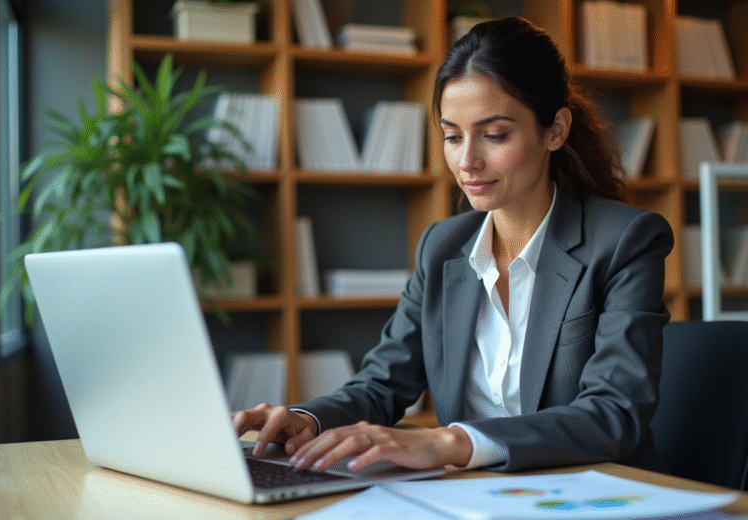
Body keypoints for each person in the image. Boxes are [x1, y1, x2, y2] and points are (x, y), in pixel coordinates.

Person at [233, 16, 673, 473]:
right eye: (452, 136)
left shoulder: (626, 241)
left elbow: (614, 414)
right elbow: (382, 384)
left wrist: (450, 442)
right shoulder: (442, 246)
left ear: (555, 130)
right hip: (479, 498)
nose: (467, 162)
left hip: (598, 494)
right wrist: (307, 419)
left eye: (494, 135)